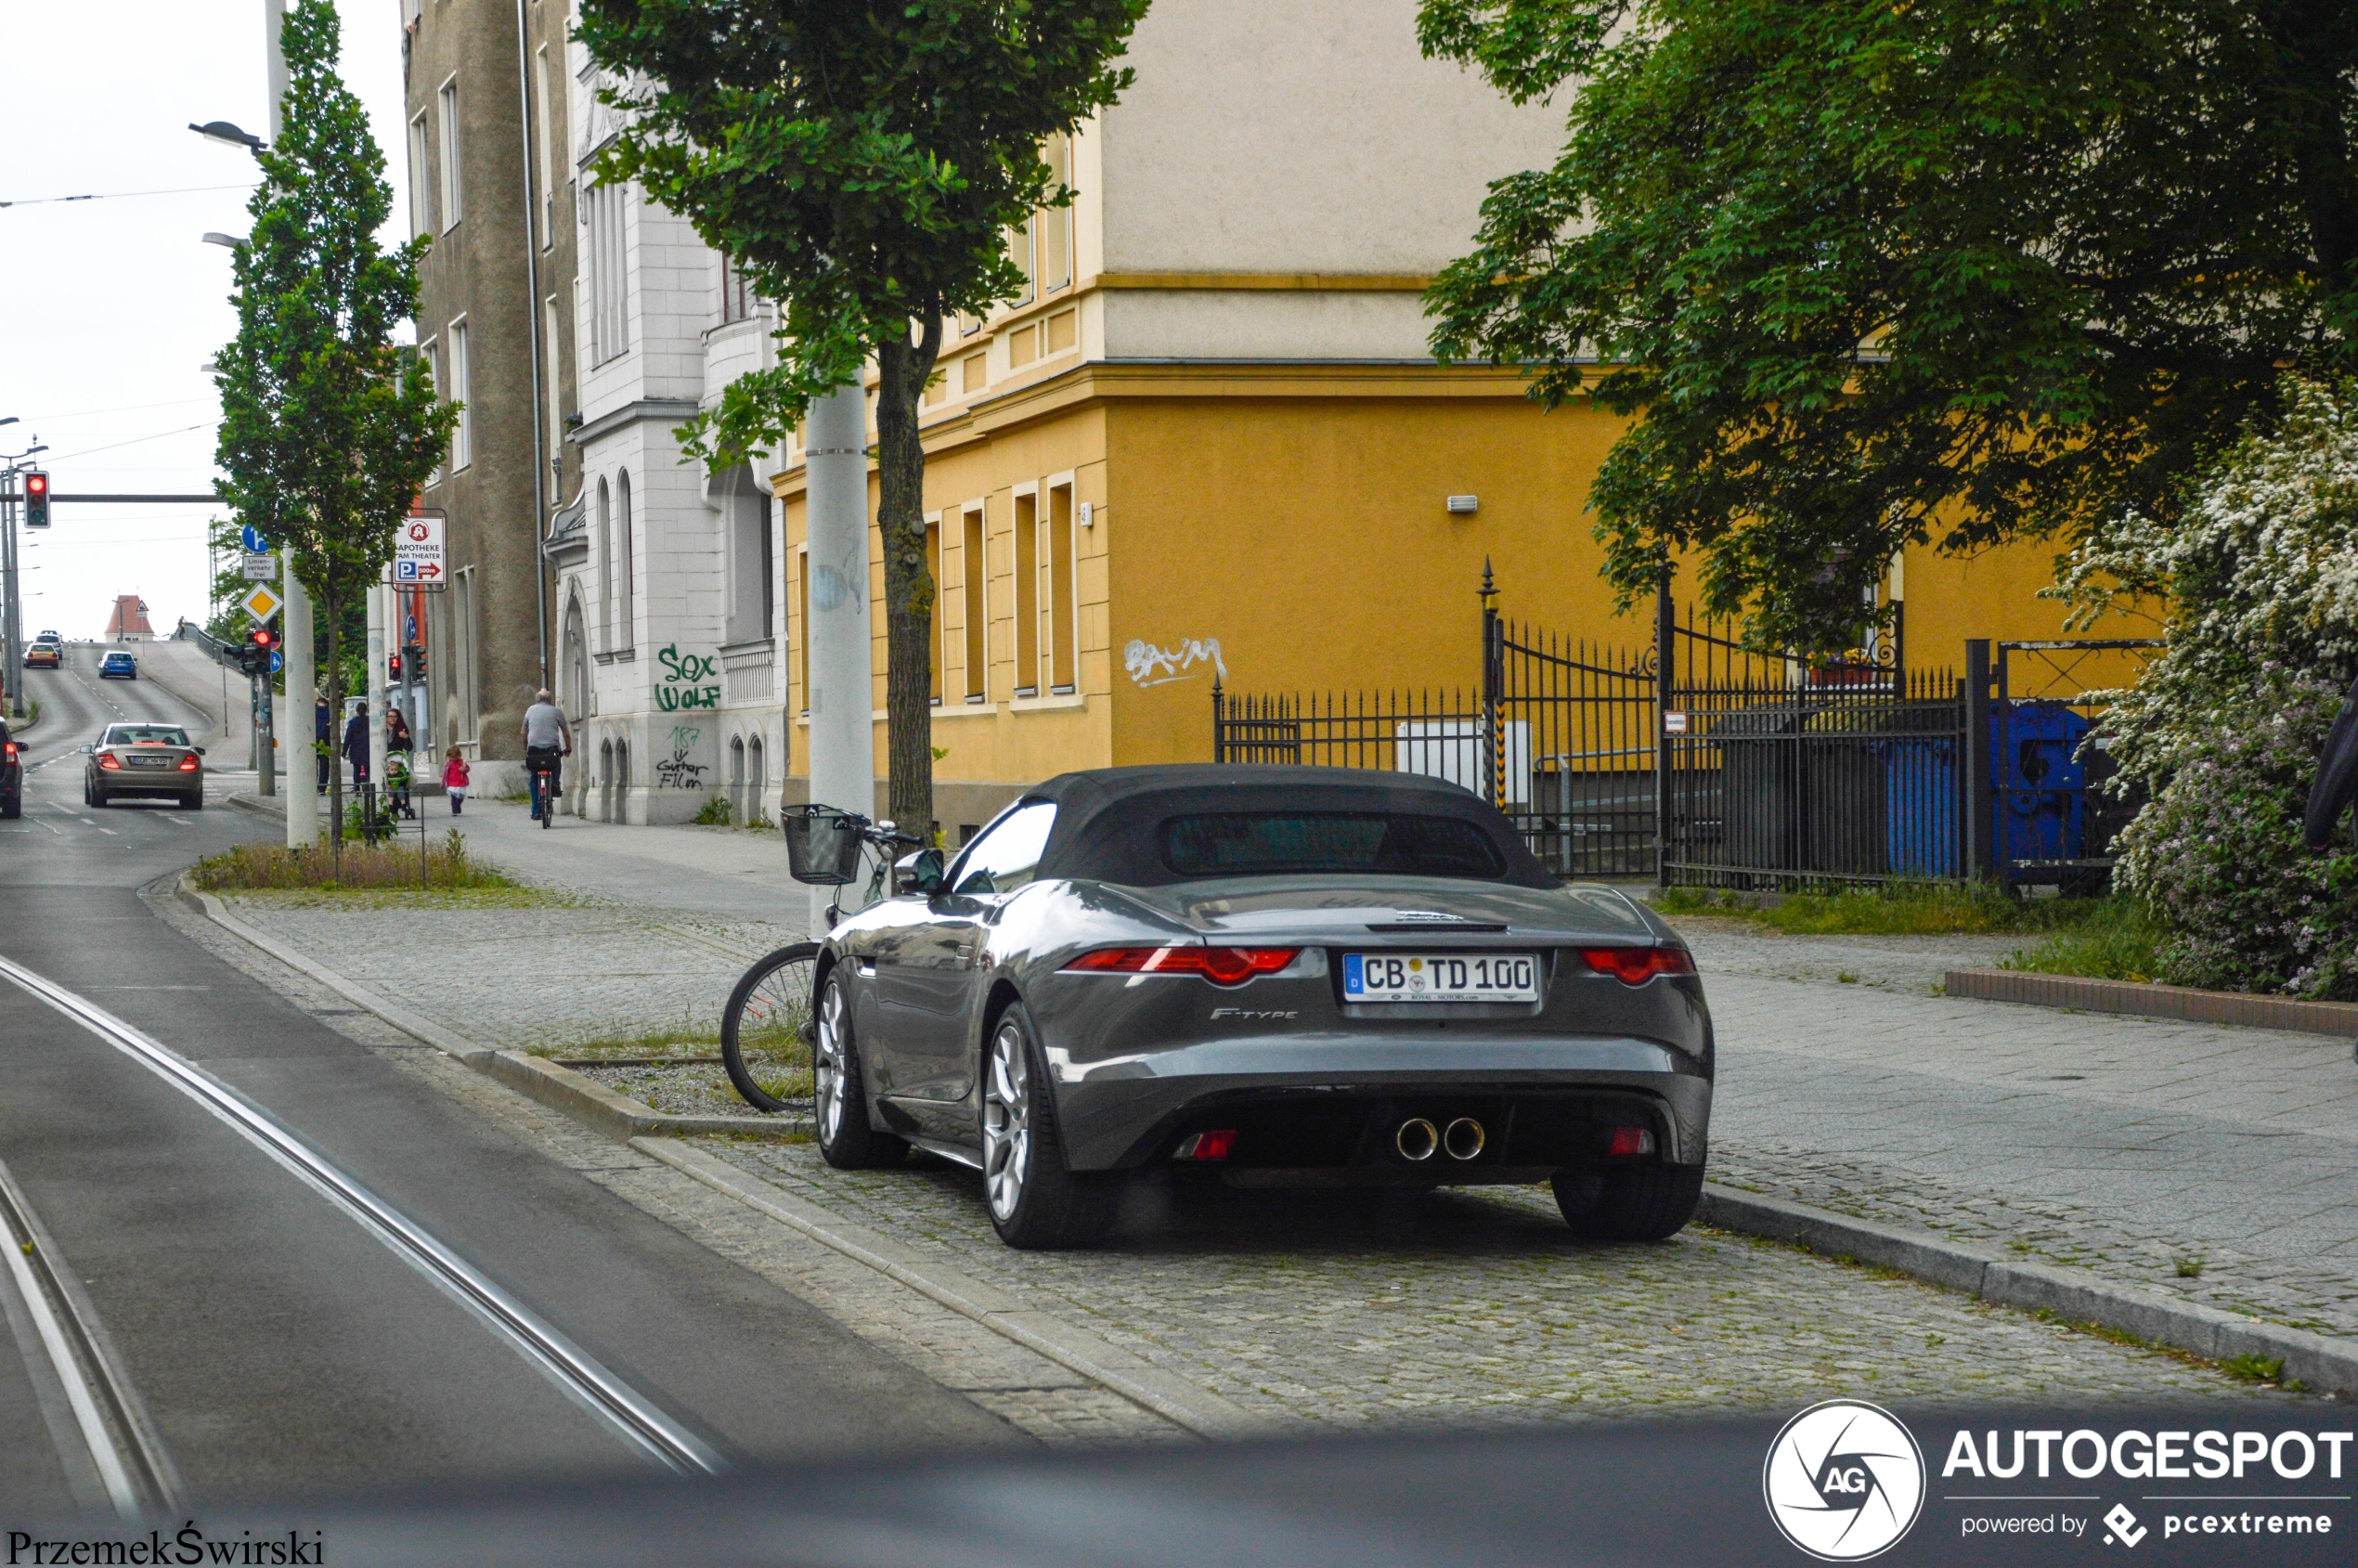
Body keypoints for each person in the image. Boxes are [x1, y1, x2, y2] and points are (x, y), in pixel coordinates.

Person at [521, 688, 572, 821]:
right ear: (550, 700)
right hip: (551, 750)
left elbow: (523, 732)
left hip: (534, 751)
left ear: (537, 700)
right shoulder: (556, 711)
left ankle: (536, 811)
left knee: (533, 779)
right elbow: (566, 733)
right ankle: (555, 783)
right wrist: (568, 747)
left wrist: (525, 746)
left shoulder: (530, 711)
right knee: (556, 764)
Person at [343, 703, 370, 791]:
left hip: (355, 749)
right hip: (368, 749)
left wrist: (344, 752)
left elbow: (348, 738)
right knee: (368, 770)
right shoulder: (370, 722)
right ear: (366, 710)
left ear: (357, 711)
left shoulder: (353, 722)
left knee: (356, 770)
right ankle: (368, 788)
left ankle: (357, 789)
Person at [442, 745, 470, 816]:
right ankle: (454, 810)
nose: (453, 759)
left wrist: (463, 770)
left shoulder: (461, 762)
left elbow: (467, 769)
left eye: (454, 757)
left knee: (461, 796)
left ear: (458, 755)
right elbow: (445, 774)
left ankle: (458, 805)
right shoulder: (448, 764)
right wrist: (443, 783)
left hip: (460, 782)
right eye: (451, 757)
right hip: (452, 783)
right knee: (453, 797)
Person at [315, 694, 331, 795]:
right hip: (326, 740)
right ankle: (322, 788)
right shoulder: (330, 713)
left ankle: (312, 785)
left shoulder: (313, 712)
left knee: (313, 764)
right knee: (324, 765)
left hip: (314, 739)